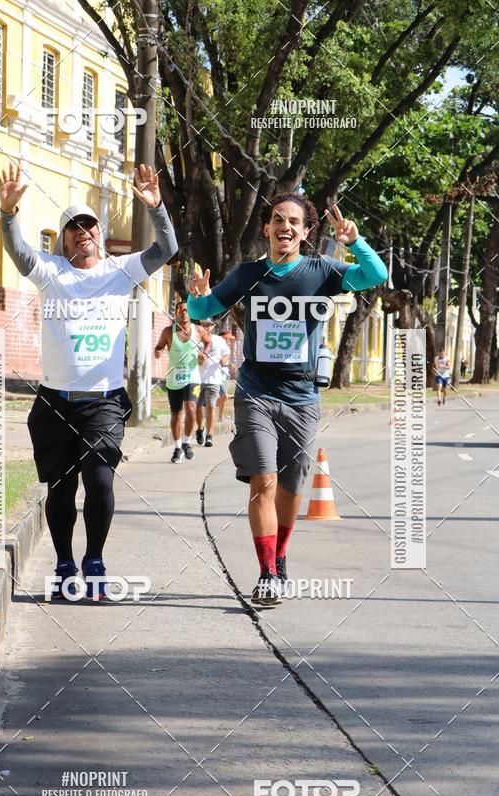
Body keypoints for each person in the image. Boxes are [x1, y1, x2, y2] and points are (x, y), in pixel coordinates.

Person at [188, 196, 387, 606]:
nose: (286, 226)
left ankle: (279, 558)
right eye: (278, 219)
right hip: (256, 391)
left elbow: (375, 274)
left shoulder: (323, 272)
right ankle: (265, 574)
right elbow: (204, 309)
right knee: (263, 480)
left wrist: (355, 241)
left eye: (295, 222)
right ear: (266, 228)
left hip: (302, 397)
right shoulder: (248, 274)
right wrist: (198, 296)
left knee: (291, 489)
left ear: (306, 231)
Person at [0, 162, 177, 600]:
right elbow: (20, 252)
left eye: (89, 226)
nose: (83, 233)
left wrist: (156, 209)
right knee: (60, 490)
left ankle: (94, 560)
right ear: (65, 237)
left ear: (98, 232)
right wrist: (8, 213)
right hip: (55, 403)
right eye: (74, 227)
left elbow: (167, 249)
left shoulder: (121, 270)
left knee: (100, 481)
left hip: (103, 402)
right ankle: (64, 564)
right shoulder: (51, 270)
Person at [154, 300, 211, 462]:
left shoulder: (198, 330)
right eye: (181, 310)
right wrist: (157, 352)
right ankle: (178, 447)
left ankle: (187, 442)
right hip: (173, 378)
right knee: (176, 414)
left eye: (187, 310)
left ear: (190, 313)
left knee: (192, 408)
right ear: (176, 313)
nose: (184, 312)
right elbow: (158, 347)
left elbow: (208, 342)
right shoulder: (168, 332)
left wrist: (204, 354)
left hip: (192, 376)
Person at [196, 318, 230, 447]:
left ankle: (209, 435)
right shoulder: (195, 340)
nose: (205, 327)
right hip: (197, 379)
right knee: (197, 407)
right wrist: (200, 358)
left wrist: (224, 360)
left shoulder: (219, 340)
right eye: (203, 325)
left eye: (208, 325)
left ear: (213, 326)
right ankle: (200, 429)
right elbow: (196, 360)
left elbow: (227, 354)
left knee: (211, 406)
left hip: (214, 379)